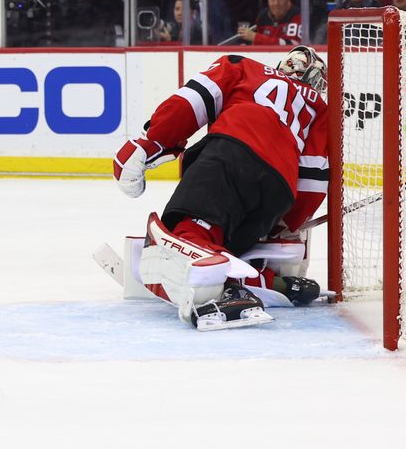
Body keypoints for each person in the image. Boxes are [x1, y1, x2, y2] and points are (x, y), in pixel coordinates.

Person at [113, 46, 329, 329]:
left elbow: (191, 102)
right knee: (222, 244)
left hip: (232, 152)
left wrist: (151, 141)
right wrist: (284, 224)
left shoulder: (242, 65)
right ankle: (263, 281)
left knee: (189, 230)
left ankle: (210, 285)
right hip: (279, 189)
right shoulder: (320, 110)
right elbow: (314, 176)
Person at [238, 0, 302, 45]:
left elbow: (292, 45)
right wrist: (248, 48)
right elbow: (260, 44)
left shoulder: (297, 16)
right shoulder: (262, 16)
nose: (276, 3)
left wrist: (256, 37)